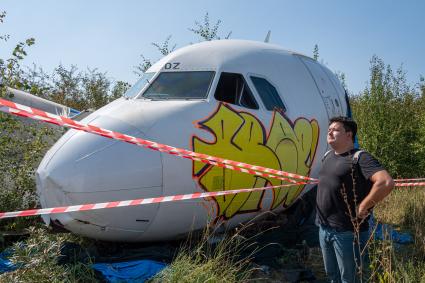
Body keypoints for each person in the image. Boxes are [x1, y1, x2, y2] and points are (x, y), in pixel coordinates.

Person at [316, 116, 394, 283]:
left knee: (350, 279)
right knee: (332, 276)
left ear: (349, 134)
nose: (329, 132)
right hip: (324, 228)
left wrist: (364, 205)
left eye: (335, 129)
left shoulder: (361, 157)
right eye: (329, 129)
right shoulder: (328, 156)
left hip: (347, 232)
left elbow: (385, 182)